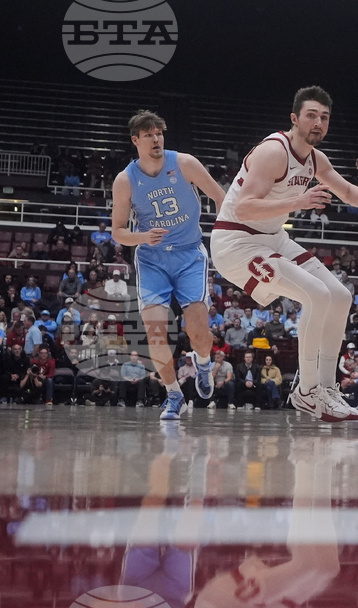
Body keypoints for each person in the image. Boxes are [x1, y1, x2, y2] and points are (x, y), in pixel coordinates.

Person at [210, 86, 358, 422]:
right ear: (294, 119)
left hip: (270, 238)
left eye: (324, 117)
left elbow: (347, 191)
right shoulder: (273, 151)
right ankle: (307, 390)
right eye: (312, 115)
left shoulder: (315, 159)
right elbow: (245, 206)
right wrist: (297, 202)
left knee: (340, 296)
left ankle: (327, 389)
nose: (318, 122)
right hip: (236, 242)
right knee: (316, 294)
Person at [110, 110, 226, 420]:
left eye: (159, 133)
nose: (156, 139)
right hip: (152, 260)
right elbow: (117, 231)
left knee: (200, 332)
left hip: (189, 255)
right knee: (156, 334)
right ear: (136, 140)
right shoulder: (125, 180)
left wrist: (226, 235)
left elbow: (219, 196)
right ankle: (174, 394)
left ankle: (203, 364)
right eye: (148, 135)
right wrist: (143, 236)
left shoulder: (184, 163)